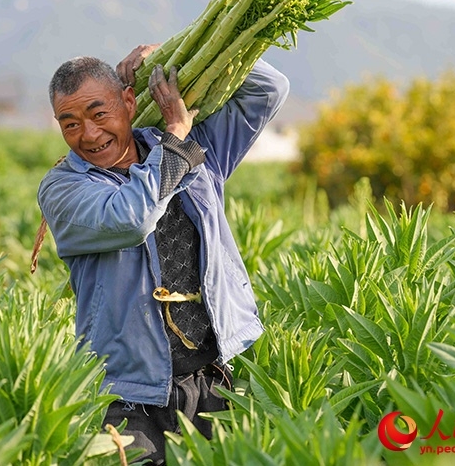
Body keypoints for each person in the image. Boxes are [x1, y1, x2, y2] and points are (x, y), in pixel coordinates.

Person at [37, 44, 290, 464]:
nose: (89, 134)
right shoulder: (64, 189)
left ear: (129, 102)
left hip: (212, 376)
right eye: (70, 123)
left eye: (100, 114)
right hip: (127, 394)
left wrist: (177, 49)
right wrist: (174, 138)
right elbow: (132, 219)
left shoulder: (199, 152)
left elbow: (268, 89)